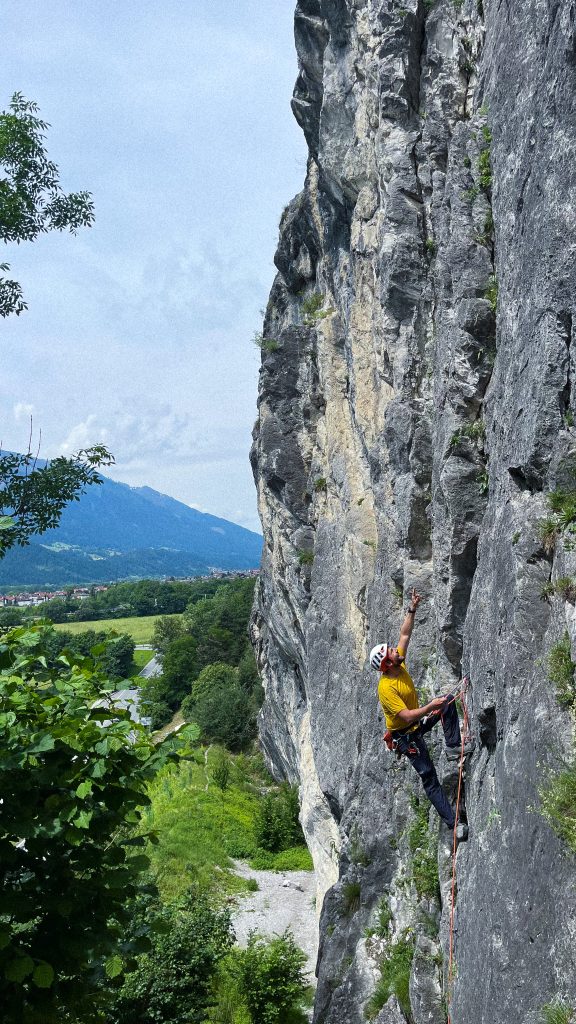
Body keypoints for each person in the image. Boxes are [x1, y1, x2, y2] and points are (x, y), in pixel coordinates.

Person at [370, 589, 471, 840]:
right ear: (387, 664)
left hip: (415, 724)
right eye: (391, 651)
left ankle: (453, 747)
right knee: (429, 777)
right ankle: (453, 824)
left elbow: (405, 633)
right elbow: (405, 716)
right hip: (406, 736)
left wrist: (412, 608)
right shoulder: (386, 688)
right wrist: (429, 707)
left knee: (446, 702)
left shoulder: (398, 664)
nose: (396, 649)